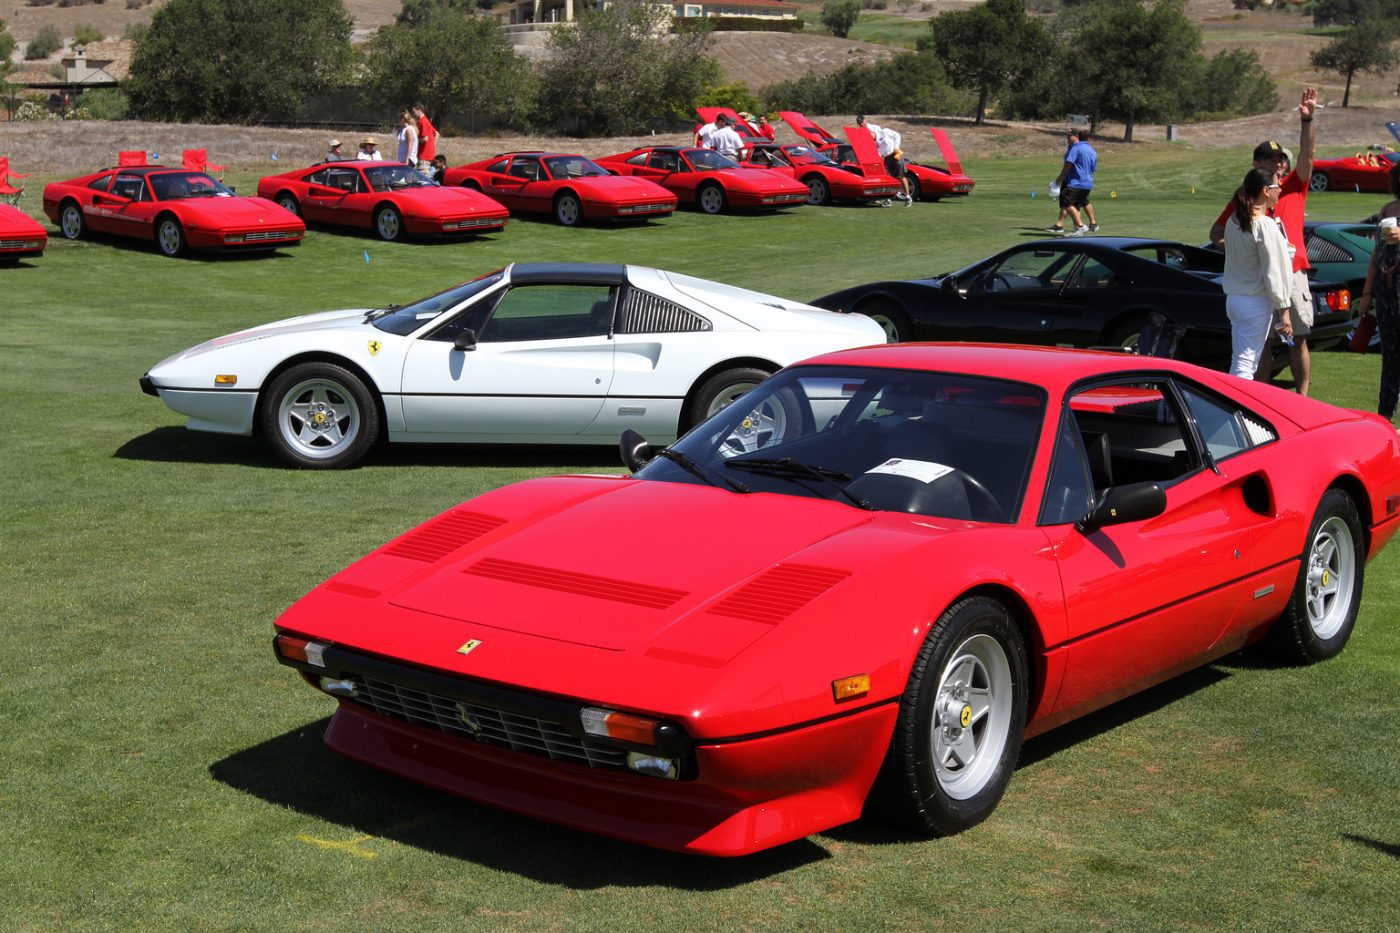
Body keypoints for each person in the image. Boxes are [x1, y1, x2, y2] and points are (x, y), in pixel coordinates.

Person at [1209, 88, 1319, 395]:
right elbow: (1217, 234)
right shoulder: (1246, 200)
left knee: (1298, 337)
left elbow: (1308, 156)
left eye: (1281, 160)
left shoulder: (1292, 186)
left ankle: (1302, 398)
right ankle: (1260, 397)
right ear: (1257, 164)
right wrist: (1250, 253)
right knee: (1260, 344)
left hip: (1292, 273)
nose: (1278, 166)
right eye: (1271, 161)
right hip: (1260, 282)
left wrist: (1307, 120)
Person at [1222, 169, 1294, 380]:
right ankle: (1235, 411)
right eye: (1276, 186)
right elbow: (1273, 271)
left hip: (1235, 299)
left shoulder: (1233, 220)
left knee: (1241, 360)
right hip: (1254, 302)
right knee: (1245, 365)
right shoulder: (1264, 224)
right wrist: (1285, 311)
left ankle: (1234, 409)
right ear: (1265, 190)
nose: (1280, 190)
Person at [1353, 164, 1400, 422]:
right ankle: (1385, 417)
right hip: (1386, 290)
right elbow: (1375, 255)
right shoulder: (1387, 210)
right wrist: (1367, 293)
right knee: (1390, 356)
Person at [1048, 129, 1098, 236]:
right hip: (1087, 183)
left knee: (1065, 202)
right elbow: (1093, 168)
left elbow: (1068, 164)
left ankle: (1080, 226)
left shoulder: (1076, 148)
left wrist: (1060, 177)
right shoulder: (1092, 150)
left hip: (1075, 182)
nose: (1068, 138)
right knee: (1075, 205)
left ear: (1077, 137)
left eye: (1070, 136)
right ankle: (1077, 231)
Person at [856, 115, 912, 207]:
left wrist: (896, 147)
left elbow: (897, 135)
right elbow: (877, 153)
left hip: (896, 154)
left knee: (901, 176)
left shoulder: (884, 132)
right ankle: (888, 199)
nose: (870, 138)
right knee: (887, 179)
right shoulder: (874, 144)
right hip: (886, 158)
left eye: (870, 136)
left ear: (872, 132)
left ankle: (908, 197)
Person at [412, 103, 436, 172]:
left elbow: (425, 139)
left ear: (419, 110)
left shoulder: (423, 122)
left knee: (423, 179)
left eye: (414, 112)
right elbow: (436, 133)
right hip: (427, 155)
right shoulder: (425, 121)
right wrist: (432, 146)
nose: (413, 114)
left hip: (424, 156)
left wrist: (414, 141)